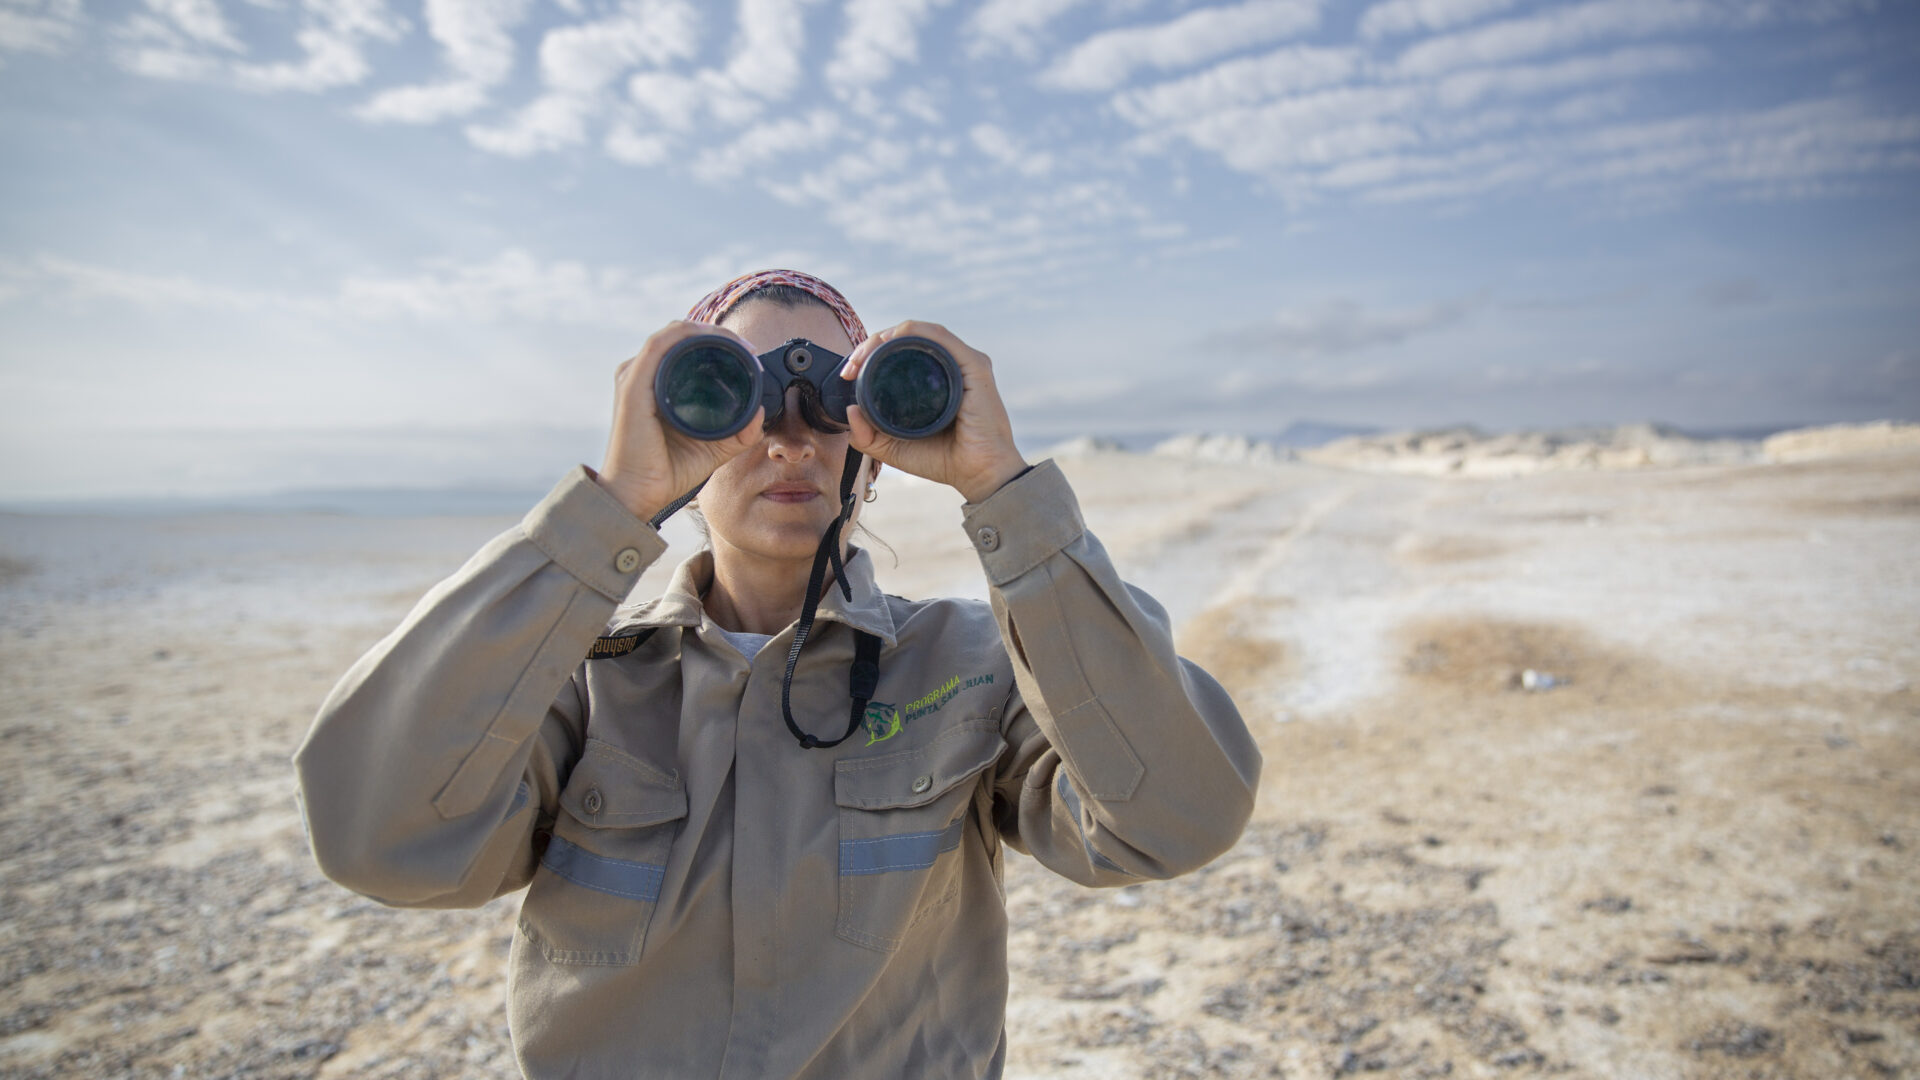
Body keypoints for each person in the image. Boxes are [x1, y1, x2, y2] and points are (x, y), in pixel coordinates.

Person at [293, 269, 1261, 1079]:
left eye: (833, 403)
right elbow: (376, 830)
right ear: (680, 435)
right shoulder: (591, 683)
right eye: (734, 399)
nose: (789, 437)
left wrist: (1001, 488)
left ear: (872, 453)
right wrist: (616, 504)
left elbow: (1178, 815)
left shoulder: (969, 668)